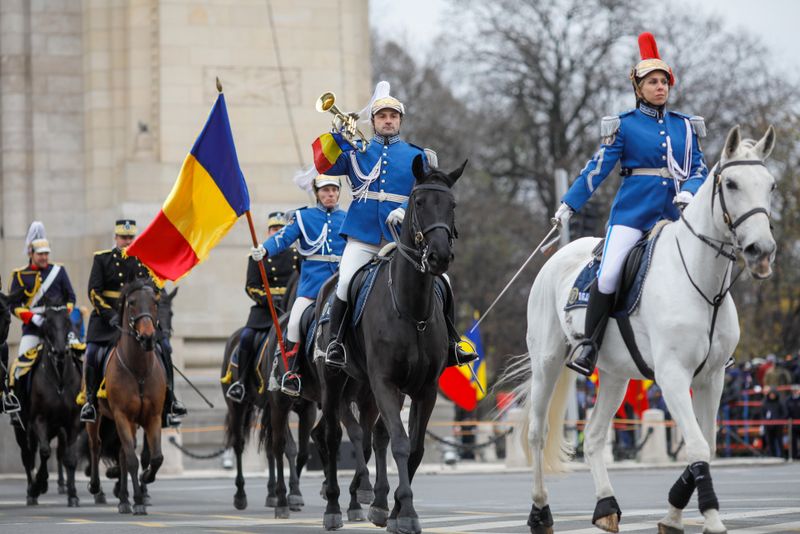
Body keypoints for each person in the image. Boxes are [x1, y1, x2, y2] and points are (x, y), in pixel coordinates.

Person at [553, 32, 708, 377]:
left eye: (664, 81)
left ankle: (714, 343)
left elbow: (699, 168)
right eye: (652, 82)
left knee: (708, 263)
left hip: (675, 214)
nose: (660, 87)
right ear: (638, 88)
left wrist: (691, 192)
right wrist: (569, 204)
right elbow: (597, 169)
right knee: (608, 274)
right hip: (633, 214)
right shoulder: (624, 125)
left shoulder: (685, 126)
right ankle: (589, 345)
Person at [317, 81, 478, 368]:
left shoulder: (418, 156)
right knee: (344, 283)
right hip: (364, 237)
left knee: (445, 283)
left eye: (393, 116)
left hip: (403, 238)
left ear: (400, 120)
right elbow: (323, 166)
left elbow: (428, 191)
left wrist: (404, 210)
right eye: (382, 116)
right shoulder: (356, 152)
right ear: (374, 121)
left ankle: (452, 343)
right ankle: (337, 344)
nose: (388, 121)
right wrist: (336, 136)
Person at [80, 219, 187, 425]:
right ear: (116, 238)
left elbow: (158, 293)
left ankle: (170, 400)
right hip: (107, 322)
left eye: (130, 238)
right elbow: (94, 292)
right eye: (123, 238)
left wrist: (157, 322)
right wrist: (111, 315)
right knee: (93, 352)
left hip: (138, 323)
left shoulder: (145, 260)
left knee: (164, 347)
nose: (127, 241)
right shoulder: (103, 260)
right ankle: (91, 402)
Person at [248, 175, 347, 397]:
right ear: (316, 193)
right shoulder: (304, 217)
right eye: (325, 190)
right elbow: (283, 238)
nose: (330, 194)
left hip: (342, 285)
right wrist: (264, 249)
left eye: (333, 190)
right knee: (293, 324)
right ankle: (290, 373)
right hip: (312, 288)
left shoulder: (348, 218)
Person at [224, 212, 301, 402]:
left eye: (280, 229)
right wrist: (269, 300)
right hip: (264, 310)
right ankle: (241, 382)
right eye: (274, 229)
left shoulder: (296, 255)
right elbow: (251, 286)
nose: (277, 232)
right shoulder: (257, 255)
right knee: (246, 337)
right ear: (268, 232)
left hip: (290, 308)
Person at [5, 222, 78, 418]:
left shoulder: (59, 271)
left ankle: (84, 400)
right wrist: (33, 318)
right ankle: (17, 405)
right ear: (31, 253)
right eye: (40, 254)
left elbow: (71, 298)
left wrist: (62, 315)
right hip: (33, 329)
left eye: (47, 253)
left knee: (81, 356)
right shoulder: (20, 275)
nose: (45, 257)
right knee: (18, 368)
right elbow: (13, 305)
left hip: (59, 328)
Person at [761, 387, 786, 458]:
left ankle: (781, 455)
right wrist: (765, 421)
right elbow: (763, 413)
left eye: (773, 394)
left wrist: (779, 420)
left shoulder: (780, 402)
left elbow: (784, 413)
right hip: (768, 425)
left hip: (778, 425)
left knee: (779, 441)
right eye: (771, 394)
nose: (772, 396)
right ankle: (772, 455)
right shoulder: (765, 403)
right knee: (770, 441)